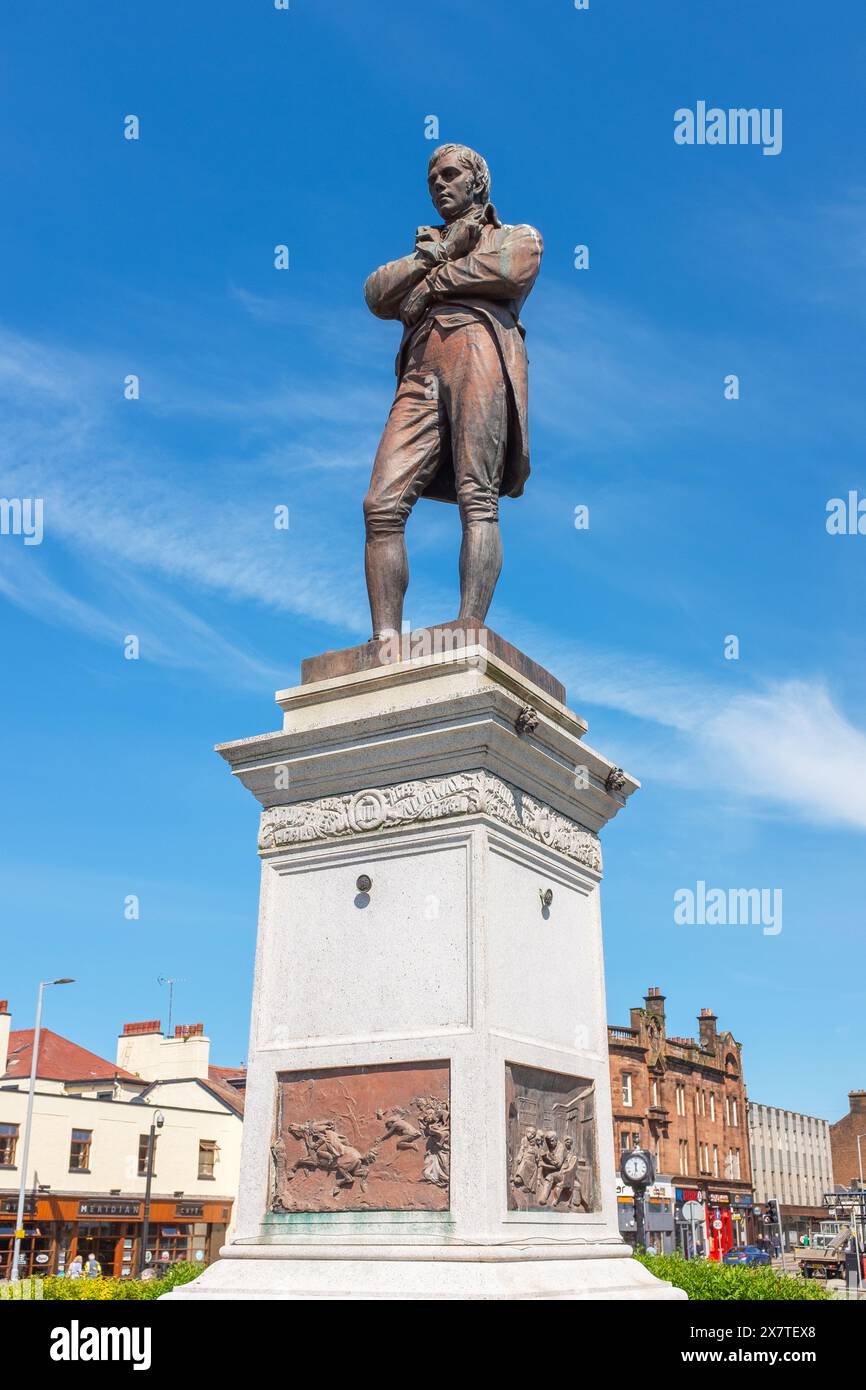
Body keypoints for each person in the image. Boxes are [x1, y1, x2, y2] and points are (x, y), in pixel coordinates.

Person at [363, 143, 543, 639]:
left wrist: (434, 283)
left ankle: (468, 626)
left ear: (477, 182)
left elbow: (510, 269)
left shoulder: (515, 235)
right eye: (432, 180)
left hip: (476, 350)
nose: (439, 185)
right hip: (420, 370)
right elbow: (377, 293)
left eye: (449, 175)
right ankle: (385, 639)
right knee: (381, 505)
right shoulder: (429, 248)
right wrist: (439, 253)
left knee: (477, 496)